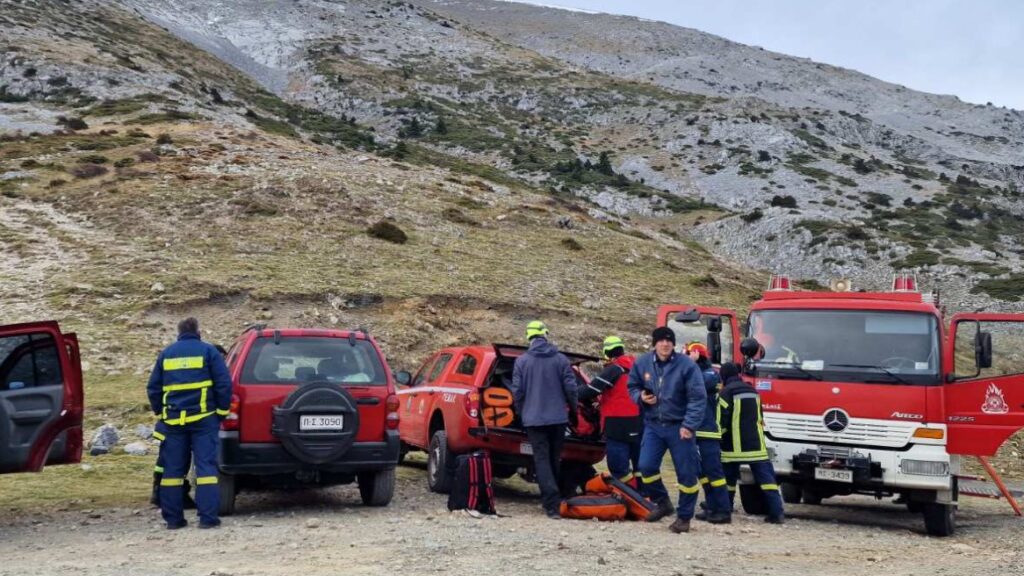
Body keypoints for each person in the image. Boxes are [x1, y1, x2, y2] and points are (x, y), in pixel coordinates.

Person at [147, 317, 232, 529]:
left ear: (178, 332)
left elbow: (153, 388)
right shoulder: (209, 352)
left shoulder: (166, 354)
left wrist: (162, 412)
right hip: (204, 421)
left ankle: (174, 521)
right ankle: (208, 519)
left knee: (172, 472)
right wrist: (221, 412)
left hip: (174, 422)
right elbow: (223, 384)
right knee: (205, 469)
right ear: (198, 331)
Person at [628, 327, 707, 534]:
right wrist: (640, 397)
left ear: (673, 344)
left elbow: (697, 398)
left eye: (669, 341)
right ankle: (662, 502)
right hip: (654, 425)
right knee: (645, 467)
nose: (665, 344)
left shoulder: (687, 366)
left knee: (686, 474)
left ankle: (684, 517)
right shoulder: (643, 362)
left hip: (679, 427)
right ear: (654, 343)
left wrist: (689, 426)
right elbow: (632, 386)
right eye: (661, 341)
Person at [510, 320, 579, 520]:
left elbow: (518, 392)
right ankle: (554, 501)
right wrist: (573, 411)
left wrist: (521, 413)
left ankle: (551, 504)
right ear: (545, 335)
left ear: (529, 337)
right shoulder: (561, 360)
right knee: (553, 458)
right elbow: (571, 388)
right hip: (558, 418)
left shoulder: (522, 361)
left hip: (533, 420)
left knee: (541, 460)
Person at [717, 362, 785, 524]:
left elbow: (721, 421)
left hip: (733, 447)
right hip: (756, 446)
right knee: (767, 480)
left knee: (729, 480)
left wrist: (719, 439)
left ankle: (726, 509)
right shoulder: (753, 391)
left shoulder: (726, 393)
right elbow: (760, 418)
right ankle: (777, 513)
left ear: (724, 376)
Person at [578, 336, 642, 487]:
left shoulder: (614, 368)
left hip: (616, 423)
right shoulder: (637, 368)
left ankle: (632, 495)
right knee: (640, 466)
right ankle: (645, 495)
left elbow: (590, 390)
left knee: (618, 467)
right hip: (639, 422)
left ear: (607, 352)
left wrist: (570, 392)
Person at [685, 341, 732, 524]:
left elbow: (695, 386)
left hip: (708, 432)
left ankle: (723, 510)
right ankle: (712, 507)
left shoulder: (711, 374)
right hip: (694, 430)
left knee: (714, 472)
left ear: (697, 354)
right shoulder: (693, 373)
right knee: (702, 473)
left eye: (688, 354)